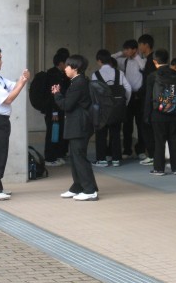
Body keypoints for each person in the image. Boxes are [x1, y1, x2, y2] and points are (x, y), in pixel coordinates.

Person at [0, 45, 30, 200]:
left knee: (0, 153)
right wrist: (21, 83)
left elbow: (13, 86)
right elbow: (7, 99)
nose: (1, 62)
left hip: (1, 121)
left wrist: (22, 79)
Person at [52, 54, 98, 201]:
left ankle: (90, 189)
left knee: (79, 158)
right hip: (78, 125)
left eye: (68, 66)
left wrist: (57, 94)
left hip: (80, 125)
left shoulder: (79, 83)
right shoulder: (78, 81)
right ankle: (78, 186)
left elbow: (67, 105)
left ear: (75, 68)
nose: (65, 68)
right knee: (75, 157)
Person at [144, 49, 176, 176]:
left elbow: (148, 98)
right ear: (167, 60)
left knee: (159, 141)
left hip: (158, 114)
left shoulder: (152, 76)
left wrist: (146, 115)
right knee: (175, 141)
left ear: (155, 61)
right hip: (175, 114)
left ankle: (159, 169)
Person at [91, 49, 131, 167]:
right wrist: (125, 102)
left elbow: (94, 92)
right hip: (117, 107)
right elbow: (128, 88)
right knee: (116, 133)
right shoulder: (119, 73)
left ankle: (102, 159)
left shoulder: (96, 74)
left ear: (99, 61)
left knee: (101, 134)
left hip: (102, 108)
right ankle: (116, 159)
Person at [112, 39, 144, 159]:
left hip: (139, 97)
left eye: (127, 49)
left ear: (135, 49)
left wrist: (136, 56)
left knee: (141, 125)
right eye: (124, 49)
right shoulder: (123, 61)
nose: (125, 51)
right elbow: (110, 59)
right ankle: (127, 149)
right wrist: (121, 53)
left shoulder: (141, 60)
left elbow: (143, 66)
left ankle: (141, 150)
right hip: (127, 96)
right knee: (127, 125)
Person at [43, 49, 70, 167]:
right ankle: (50, 157)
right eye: (66, 63)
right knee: (52, 132)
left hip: (58, 109)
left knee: (58, 132)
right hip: (53, 109)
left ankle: (57, 155)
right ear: (61, 63)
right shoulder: (53, 75)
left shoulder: (59, 74)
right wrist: (54, 112)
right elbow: (53, 95)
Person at [137, 34, 156, 166]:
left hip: (148, 99)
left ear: (146, 45)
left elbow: (148, 82)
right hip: (149, 98)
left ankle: (152, 155)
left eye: (140, 44)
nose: (139, 47)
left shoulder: (151, 61)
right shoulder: (148, 60)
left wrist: (139, 93)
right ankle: (153, 154)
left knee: (147, 127)